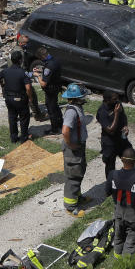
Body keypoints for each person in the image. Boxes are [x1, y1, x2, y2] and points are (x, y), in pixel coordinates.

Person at [0, 51, 36, 142]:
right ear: (20, 60)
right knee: (24, 118)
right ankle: (24, 137)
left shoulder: (5, 71)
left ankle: (14, 137)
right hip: (20, 99)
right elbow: (28, 88)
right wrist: (30, 98)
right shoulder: (23, 72)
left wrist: (2, 83)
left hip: (9, 98)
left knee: (12, 118)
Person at [61, 83, 90, 216]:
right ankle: (70, 206)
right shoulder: (71, 112)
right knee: (73, 175)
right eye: (82, 96)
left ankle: (77, 196)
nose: (84, 98)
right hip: (73, 148)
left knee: (79, 171)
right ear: (76, 98)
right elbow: (65, 130)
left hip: (78, 146)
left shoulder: (77, 108)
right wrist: (70, 145)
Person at [97, 90, 131, 179]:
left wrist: (125, 126)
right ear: (107, 100)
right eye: (114, 99)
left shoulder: (118, 104)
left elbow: (123, 116)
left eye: (117, 98)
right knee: (110, 166)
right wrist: (116, 114)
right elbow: (110, 130)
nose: (117, 100)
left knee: (130, 157)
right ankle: (110, 186)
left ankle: (130, 178)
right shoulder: (102, 112)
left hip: (121, 139)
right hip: (109, 143)